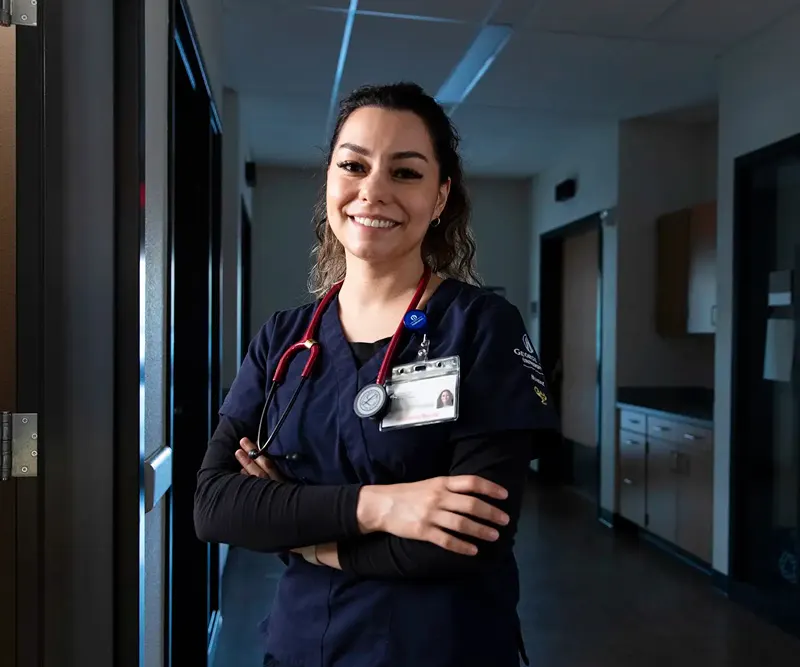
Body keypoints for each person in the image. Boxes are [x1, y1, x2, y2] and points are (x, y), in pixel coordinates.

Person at [194, 81, 559, 667]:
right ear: (331, 182)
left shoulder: (482, 327)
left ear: (440, 198)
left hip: (442, 648)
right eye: (354, 165)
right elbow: (215, 506)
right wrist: (381, 506)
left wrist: (294, 524)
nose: (374, 190)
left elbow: (469, 539)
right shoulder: (285, 339)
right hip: (300, 647)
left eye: (406, 173)